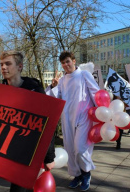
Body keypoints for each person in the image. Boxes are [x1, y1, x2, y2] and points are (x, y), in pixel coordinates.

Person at [0, 50, 55, 192]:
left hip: (28, 153)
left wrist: (49, 157)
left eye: (8, 64)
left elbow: (47, 125)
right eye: (1, 64)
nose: (3, 67)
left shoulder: (35, 91)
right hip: (8, 152)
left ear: (19, 67)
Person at [46, 51, 100, 191]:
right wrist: (53, 86)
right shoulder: (63, 80)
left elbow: (95, 92)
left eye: (68, 61)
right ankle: (77, 175)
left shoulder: (83, 75)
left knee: (81, 148)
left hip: (83, 116)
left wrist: (100, 111)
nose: (65, 65)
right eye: (63, 63)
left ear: (74, 61)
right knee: (70, 149)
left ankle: (86, 173)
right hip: (67, 117)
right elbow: (55, 98)